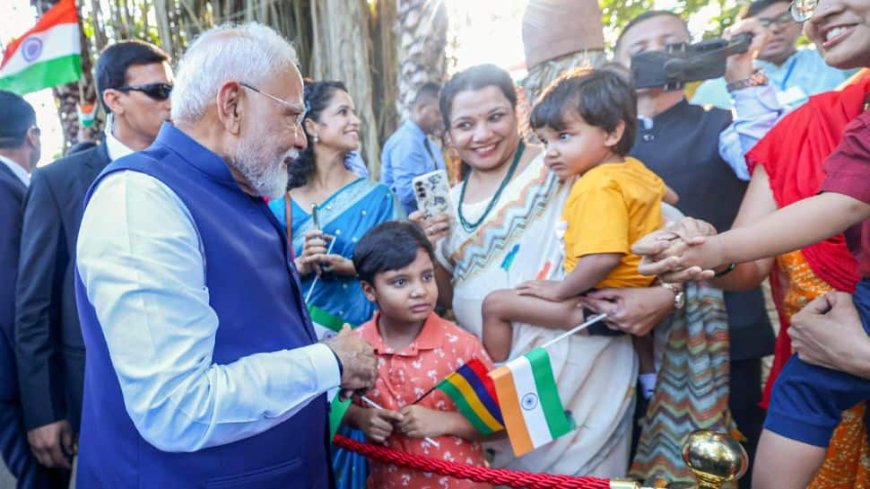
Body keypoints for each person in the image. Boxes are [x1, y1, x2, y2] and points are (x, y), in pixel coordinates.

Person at [73, 23, 377, 488]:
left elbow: (241, 322)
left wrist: (326, 341)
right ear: (232, 105)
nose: (301, 139)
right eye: (291, 117)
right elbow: (178, 407)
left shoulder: (234, 189)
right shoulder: (141, 201)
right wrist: (329, 363)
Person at [630, 1, 870, 485]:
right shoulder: (807, 127)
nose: (819, 14)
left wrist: (861, 357)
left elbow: (844, 203)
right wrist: (700, 249)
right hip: (820, 365)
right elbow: (748, 264)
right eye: (809, 2)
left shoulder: (716, 119)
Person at [411, 63, 681, 479]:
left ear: (516, 113)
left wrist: (665, 295)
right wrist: (425, 248)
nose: (482, 135)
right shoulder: (447, 202)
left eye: (495, 117)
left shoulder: (566, 164)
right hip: (502, 382)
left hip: (586, 365)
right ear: (448, 133)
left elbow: (663, 225)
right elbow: (447, 298)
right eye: (465, 125)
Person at [615, 12, 779, 485]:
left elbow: (768, 155)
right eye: (640, 47)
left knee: (722, 467)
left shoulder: (722, 124)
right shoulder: (597, 143)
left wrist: (742, 71)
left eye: (673, 43)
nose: (658, 54)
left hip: (725, 326)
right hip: (628, 338)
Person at [14, 41, 171, 479]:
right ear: (114, 100)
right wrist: (43, 411)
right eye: (157, 91)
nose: (170, 102)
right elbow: (34, 306)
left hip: (185, 389)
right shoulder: (58, 182)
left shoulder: (191, 171)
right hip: (96, 394)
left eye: (172, 88)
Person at [480, 69, 670, 379]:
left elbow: (603, 258)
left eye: (564, 136)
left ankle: (497, 382)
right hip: (640, 290)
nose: (551, 152)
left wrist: (560, 291)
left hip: (602, 305)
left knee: (495, 305)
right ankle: (649, 382)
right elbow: (666, 194)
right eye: (545, 141)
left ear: (611, 133)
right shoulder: (633, 169)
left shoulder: (596, 185)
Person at [346, 221, 492, 489]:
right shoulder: (354, 348)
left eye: (427, 276)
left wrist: (445, 421)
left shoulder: (461, 347)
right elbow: (328, 407)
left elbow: (500, 423)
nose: (420, 291)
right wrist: (359, 417)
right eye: (400, 282)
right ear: (369, 291)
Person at [269, 80, 403, 338]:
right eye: (343, 112)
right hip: (300, 346)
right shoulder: (280, 207)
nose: (355, 121)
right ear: (311, 126)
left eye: (353, 112)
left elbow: (404, 266)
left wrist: (354, 268)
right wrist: (301, 265)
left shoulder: (379, 199)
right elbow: (261, 284)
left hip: (366, 342)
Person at [0, 91, 57, 489]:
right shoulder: (5, 194)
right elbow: (12, 303)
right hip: (15, 390)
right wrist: (42, 408)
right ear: (33, 136)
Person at [692, 0, 852, 110]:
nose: (775, 29)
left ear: (800, 23)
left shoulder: (835, 58)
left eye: (783, 18)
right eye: (762, 24)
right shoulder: (714, 88)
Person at [380, 82, 446, 214]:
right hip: (406, 227)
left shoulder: (430, 144)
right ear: (421, 108)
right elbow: (408, 193)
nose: (442, 119)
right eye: (437, 113)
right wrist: (447, 196)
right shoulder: (405, 142)